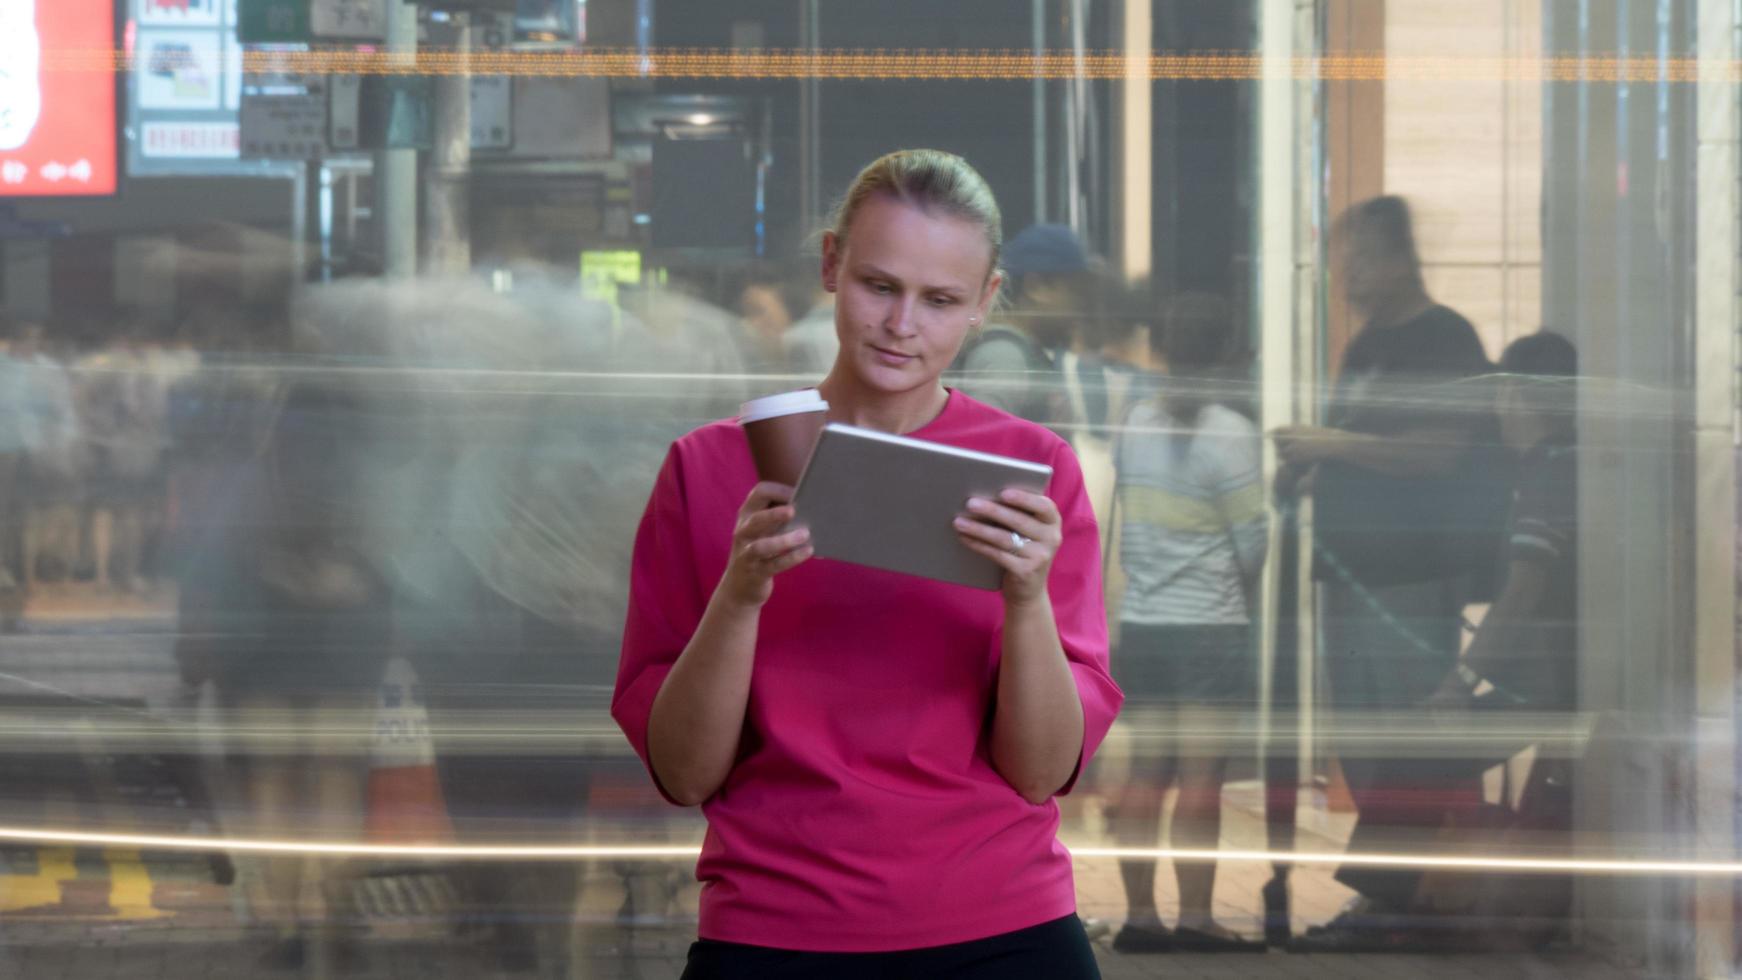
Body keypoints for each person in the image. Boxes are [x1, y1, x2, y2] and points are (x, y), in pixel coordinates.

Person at [613, 149, 1122, 978]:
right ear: (829, 265)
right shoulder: (706, 469)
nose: (901, 324)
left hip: (1003, 924)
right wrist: (740, 596)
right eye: (879, 285)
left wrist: (1026, 598)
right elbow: (682, 772)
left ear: (985, 304)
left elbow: (1040, 773)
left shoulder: (1033, 474)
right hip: (774, 928)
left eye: (941, 300)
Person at [1274, 196, 1500, 948]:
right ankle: (1394, 900)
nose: (1348, 276)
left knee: (1410, 744)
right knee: (1364, 742)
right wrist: (1314, 464)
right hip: (1351, 573)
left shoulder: (1444, 338)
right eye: (1344, 261)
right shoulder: (1367, 343)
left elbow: (1440, 451)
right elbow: (1365, 443)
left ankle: (1410, 902)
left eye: (1360, 259)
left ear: (1401, 257)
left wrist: (1333, 446)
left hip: (1410, 577)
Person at [1105, 293, 1268, 953]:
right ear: (1229, 357)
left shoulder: (1134, 423)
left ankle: (1140, 918)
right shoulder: (1231, 432)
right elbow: (1252, 543)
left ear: (1163, 353)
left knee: (1147, 773)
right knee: (1203, 777)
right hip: (1209, 627)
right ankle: (1198, 918)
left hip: (1144, 624)